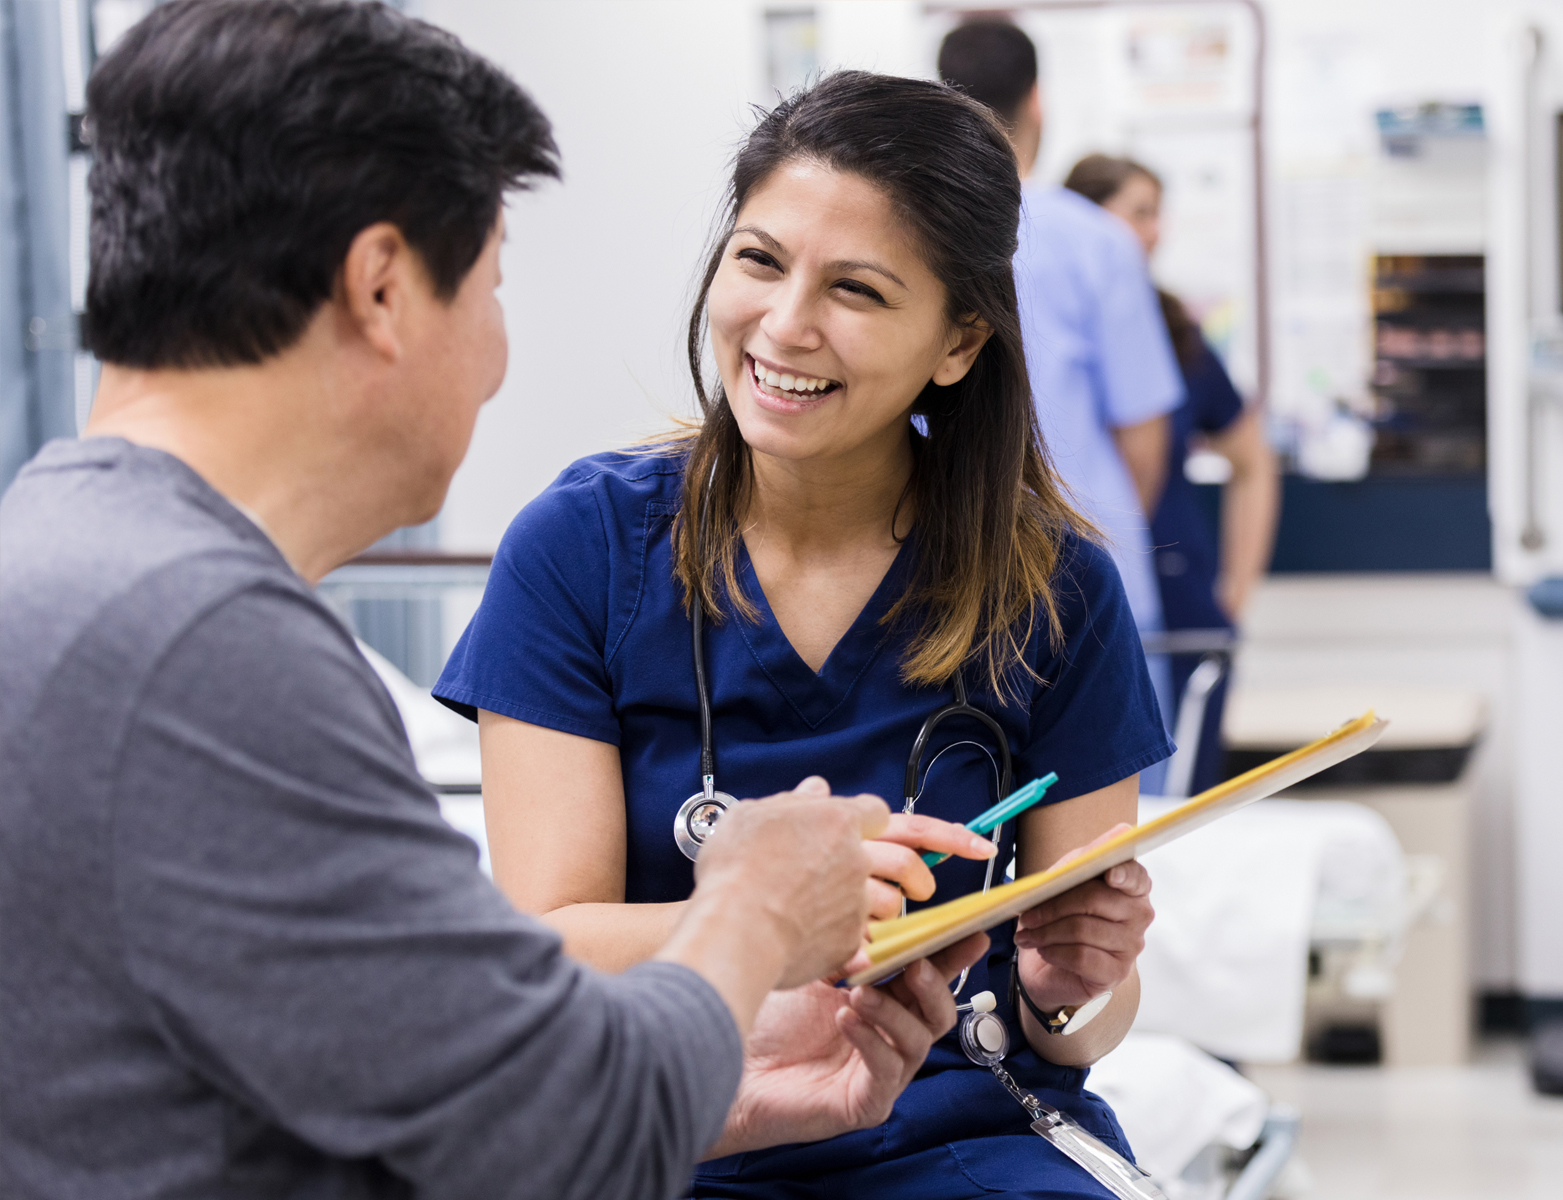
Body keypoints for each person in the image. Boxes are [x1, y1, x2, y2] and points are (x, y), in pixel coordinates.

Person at [0, 5, 984, 1198]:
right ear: (381, 289)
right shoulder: (203, 648)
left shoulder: (59, 558)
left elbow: (424, 1088)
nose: (500, 356)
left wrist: (730, 1079)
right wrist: (756, 906)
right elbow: (544, 1134)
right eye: (492, 287)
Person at [434, 71, 1167, 1199]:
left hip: (967, 1136)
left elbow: (1073, 1027)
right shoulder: (584, 552)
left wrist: (1072, 985)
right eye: (758, 261)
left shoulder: (1053, 588)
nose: (783, 326)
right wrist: (775, 917)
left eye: (858, 291)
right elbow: (546, 954)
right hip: (675, 1128)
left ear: (959, 339)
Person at [938, 20, 1187, 734]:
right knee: (1117, 827)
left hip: (950, 582)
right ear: (1037, 102)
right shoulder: (1096, 242)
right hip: (1091, 580)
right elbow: (1143, 437)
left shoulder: (920, 237)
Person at [1064, 154, 1280, 794]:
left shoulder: (1174, 331)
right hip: (1083, 598)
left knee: (1183, 804)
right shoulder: (1041, 328)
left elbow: (1252, 461)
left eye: (1158, 214)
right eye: (1138, 212)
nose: (1154, 232)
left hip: (1179, 601)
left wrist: (1236, 591)